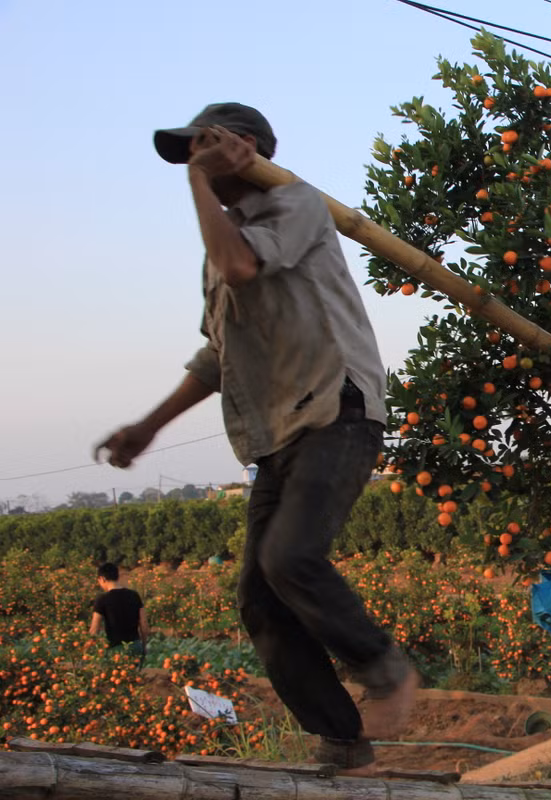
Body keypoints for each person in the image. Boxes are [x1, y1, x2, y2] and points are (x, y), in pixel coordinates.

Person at [94, 103, 416, 772]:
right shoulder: (222, 242)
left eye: (201, 149)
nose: (193, 163)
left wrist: (197, 182)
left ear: (243, 147)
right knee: (259, 600)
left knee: (290, 557)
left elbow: (242, 267)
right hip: (274, 436)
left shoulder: (296, 203)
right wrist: (149, 426)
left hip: (335, 410)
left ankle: (384, 665)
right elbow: (218, 355)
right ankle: (341, 738)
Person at [90, 562, 149, 664]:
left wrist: (89, 650)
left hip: (116, 651)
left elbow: (94, 629)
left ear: (102, 579)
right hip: (135, 647)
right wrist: (143, 646)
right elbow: (144, 624)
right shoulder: (134, 595)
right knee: (133, 673)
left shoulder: (102, 599)